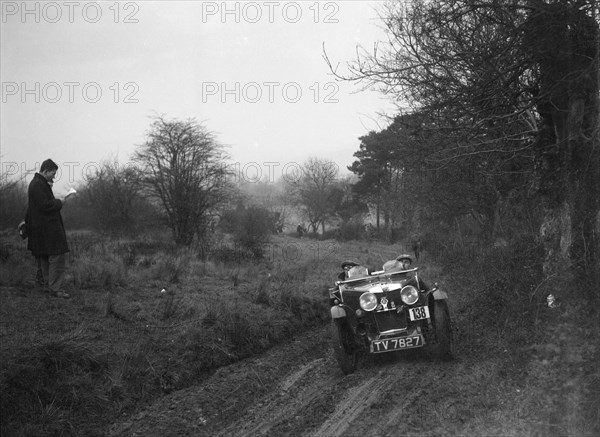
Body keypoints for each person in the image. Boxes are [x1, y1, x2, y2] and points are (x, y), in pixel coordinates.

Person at [26, 159, 71, 298]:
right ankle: (55, 288)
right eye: (53, 173)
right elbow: (45, 206)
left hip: (43, 228)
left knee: (46, 256)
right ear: (45, 171)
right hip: (48, 228)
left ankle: (48, 286)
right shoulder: (38, 185)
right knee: (57, 256)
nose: (54, 176)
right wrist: (60, 202)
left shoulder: (38, 184)